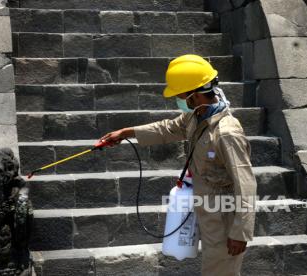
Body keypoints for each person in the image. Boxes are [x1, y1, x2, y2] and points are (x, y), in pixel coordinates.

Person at [99, 54, 257, 276]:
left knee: (220, 272)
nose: (179, 98)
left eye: (181, 94)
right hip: (207, 211)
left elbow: (246, 184)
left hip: (224, 219)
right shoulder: (196, 117)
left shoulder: (226, 133)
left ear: (194, 94)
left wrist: (240, 232)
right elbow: (167, 129)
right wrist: (126, 133)